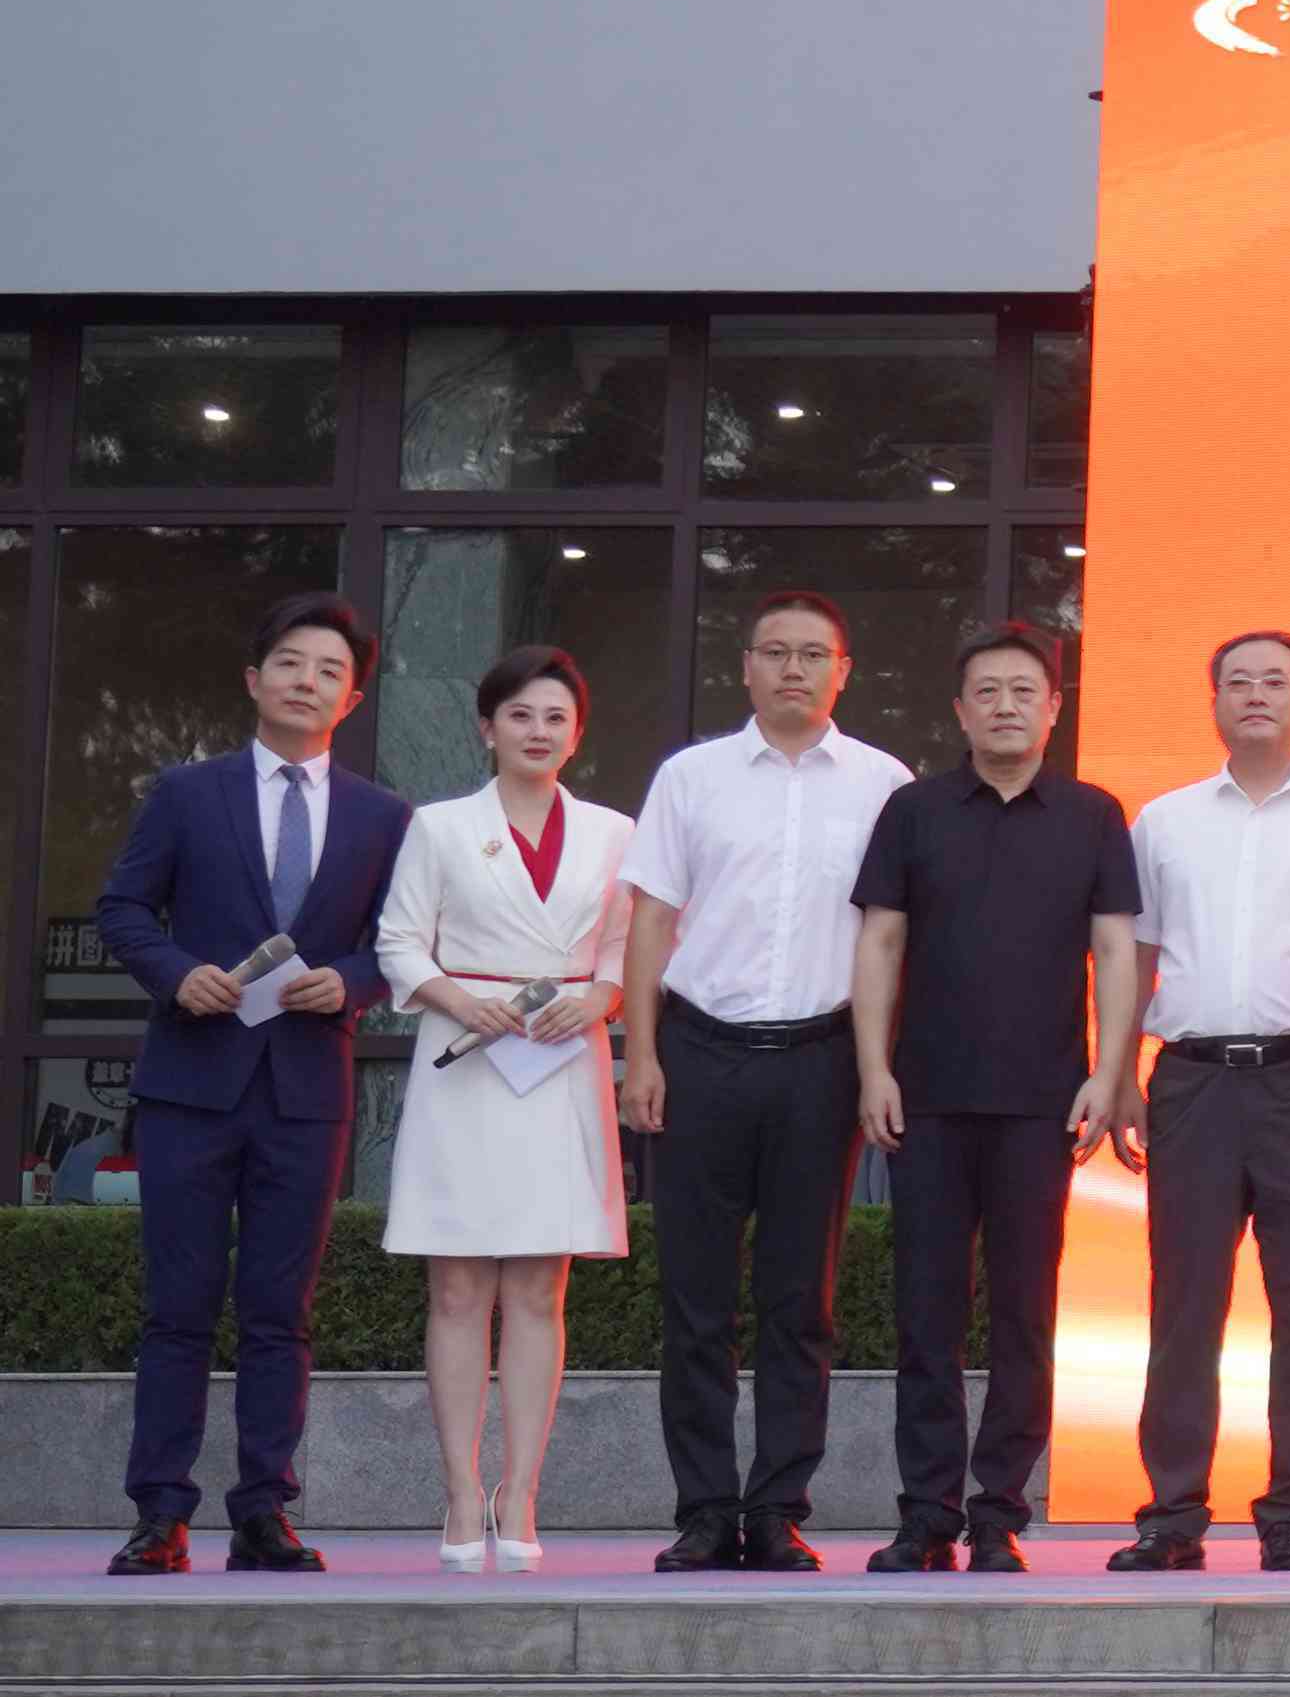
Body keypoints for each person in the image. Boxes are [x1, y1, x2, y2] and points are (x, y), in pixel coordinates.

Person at [100, 594, 408, 1578]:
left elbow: (397, 944)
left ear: (350, 698)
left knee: (281, 1308)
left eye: (329, 671)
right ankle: (159, 1513)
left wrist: (350, 982)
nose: (306, 680)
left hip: (305, 1092)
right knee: (177, 1304)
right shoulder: (188, 793)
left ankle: (264, 1511)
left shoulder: (382, 816)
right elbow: (123, 907)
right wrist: (175, 971)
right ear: (254, 678)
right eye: (289, 662)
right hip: (190, 1084)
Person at [620, 590, 911, 1573]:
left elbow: (894, 936)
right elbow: (650, 921)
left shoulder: (884, 784)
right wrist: (641, 1053)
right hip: (699, 1051)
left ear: (843, 670)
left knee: (802, 1297)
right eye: (775, 652)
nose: (793, 668)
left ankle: (780, 1506)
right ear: (744, 666)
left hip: (822, 1059)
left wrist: (876, 1065)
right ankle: (705, 1508)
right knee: (695, 1296)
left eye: (812, 654)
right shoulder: (691, 776)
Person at [843, 623, 1139, 1575]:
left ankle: (1000, 1511)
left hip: (1041, 1101)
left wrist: (1108, 1071)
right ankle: (926, 1514)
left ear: (1053, 708)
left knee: (1024, 1315)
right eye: (988, 691)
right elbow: (880, 940)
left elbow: (1115, 950)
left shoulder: (1093, 814)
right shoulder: (913, 810)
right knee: (925, 1314)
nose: (1006, 705)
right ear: (960, 710)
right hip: (926, 1096)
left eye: (1024, 691)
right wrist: (873, 1067)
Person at [1112, 630, 1290, 1573]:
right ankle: (1172, 1513)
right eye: (1237, 681)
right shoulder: (1164, 820)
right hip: (1191, 1079)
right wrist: (1117, 1073)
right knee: (1184, 1305)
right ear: (1214, 702)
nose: (1257, 695)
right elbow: (1138, 956)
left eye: (1276, 680)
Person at [377, 643, 635, 1574]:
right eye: (520, 714)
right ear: (487, 727)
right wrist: (455, 998)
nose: (538, 730)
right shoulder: (440, 825)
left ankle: (520, 1488)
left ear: (577, 733)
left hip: (561, 1059)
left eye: (556, 716)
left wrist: (599, 998)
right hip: (467, 1058)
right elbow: (399, 941)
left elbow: (627, 950)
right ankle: (459, 1487)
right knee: (456, 1288)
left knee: (538, 1288)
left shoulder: (614, 832)